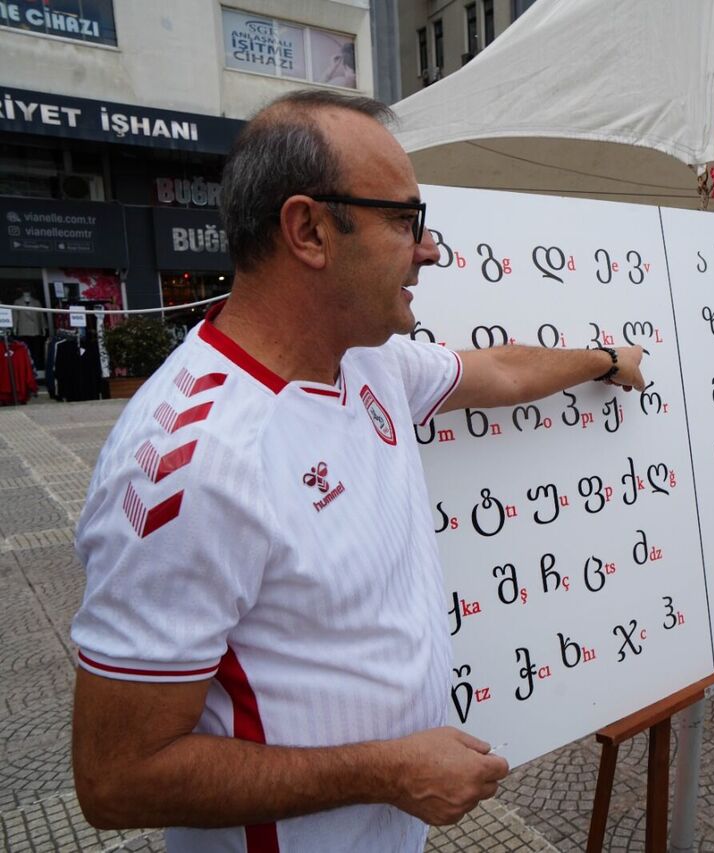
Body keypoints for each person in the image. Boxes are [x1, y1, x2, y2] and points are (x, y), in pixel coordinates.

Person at [69, 89, 645, 852]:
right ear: (308, 229)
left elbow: (497, 371)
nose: (431, 248)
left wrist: (606, 360)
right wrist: (385, 772)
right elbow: (117, 778)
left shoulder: (368, 361)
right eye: (407, 220)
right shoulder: (195, 459)